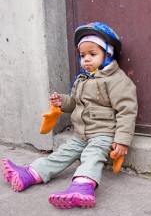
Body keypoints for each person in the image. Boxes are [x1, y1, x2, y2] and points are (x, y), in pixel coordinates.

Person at [1, 22, 138, 209]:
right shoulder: (82, 79)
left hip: (102, 134)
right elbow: (75, 102)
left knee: (92, 155)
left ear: (108, 54)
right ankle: (31, 174)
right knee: (61, 154)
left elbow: (126, 110)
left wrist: (122, 140)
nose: (86, 60)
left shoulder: (116, 80)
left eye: (92, 54)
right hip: (80, 134)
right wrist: (62, 102)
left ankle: (82, 188)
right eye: (82, 56)